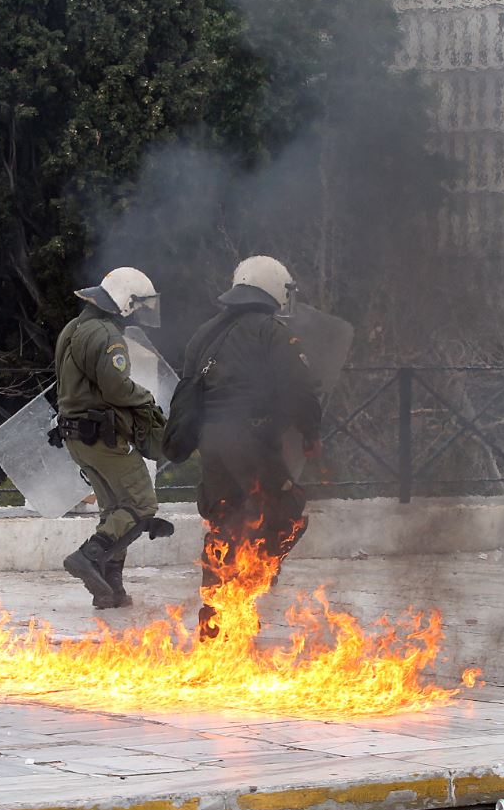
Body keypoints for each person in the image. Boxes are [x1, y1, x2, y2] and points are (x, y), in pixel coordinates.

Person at [182, 256, 322, 640]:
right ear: (272, 287)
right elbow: (301, 388)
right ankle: (244, 594)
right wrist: (311, 433)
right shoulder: (271, 332)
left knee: (224, 521)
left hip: (211, 441)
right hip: (251, 440)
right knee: (284, 511)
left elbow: (189, 385)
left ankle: (215, 617)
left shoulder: (205, 333)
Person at [52, 267, 171, 610]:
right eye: (139, 305)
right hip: (103, 436)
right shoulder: (108, 337)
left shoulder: (74, 328)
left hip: (77, 435)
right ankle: (87, 558)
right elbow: (117, 388)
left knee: (115, 509)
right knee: (140, 504)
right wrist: (145, 397)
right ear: (126, 303)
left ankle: (109, 587)